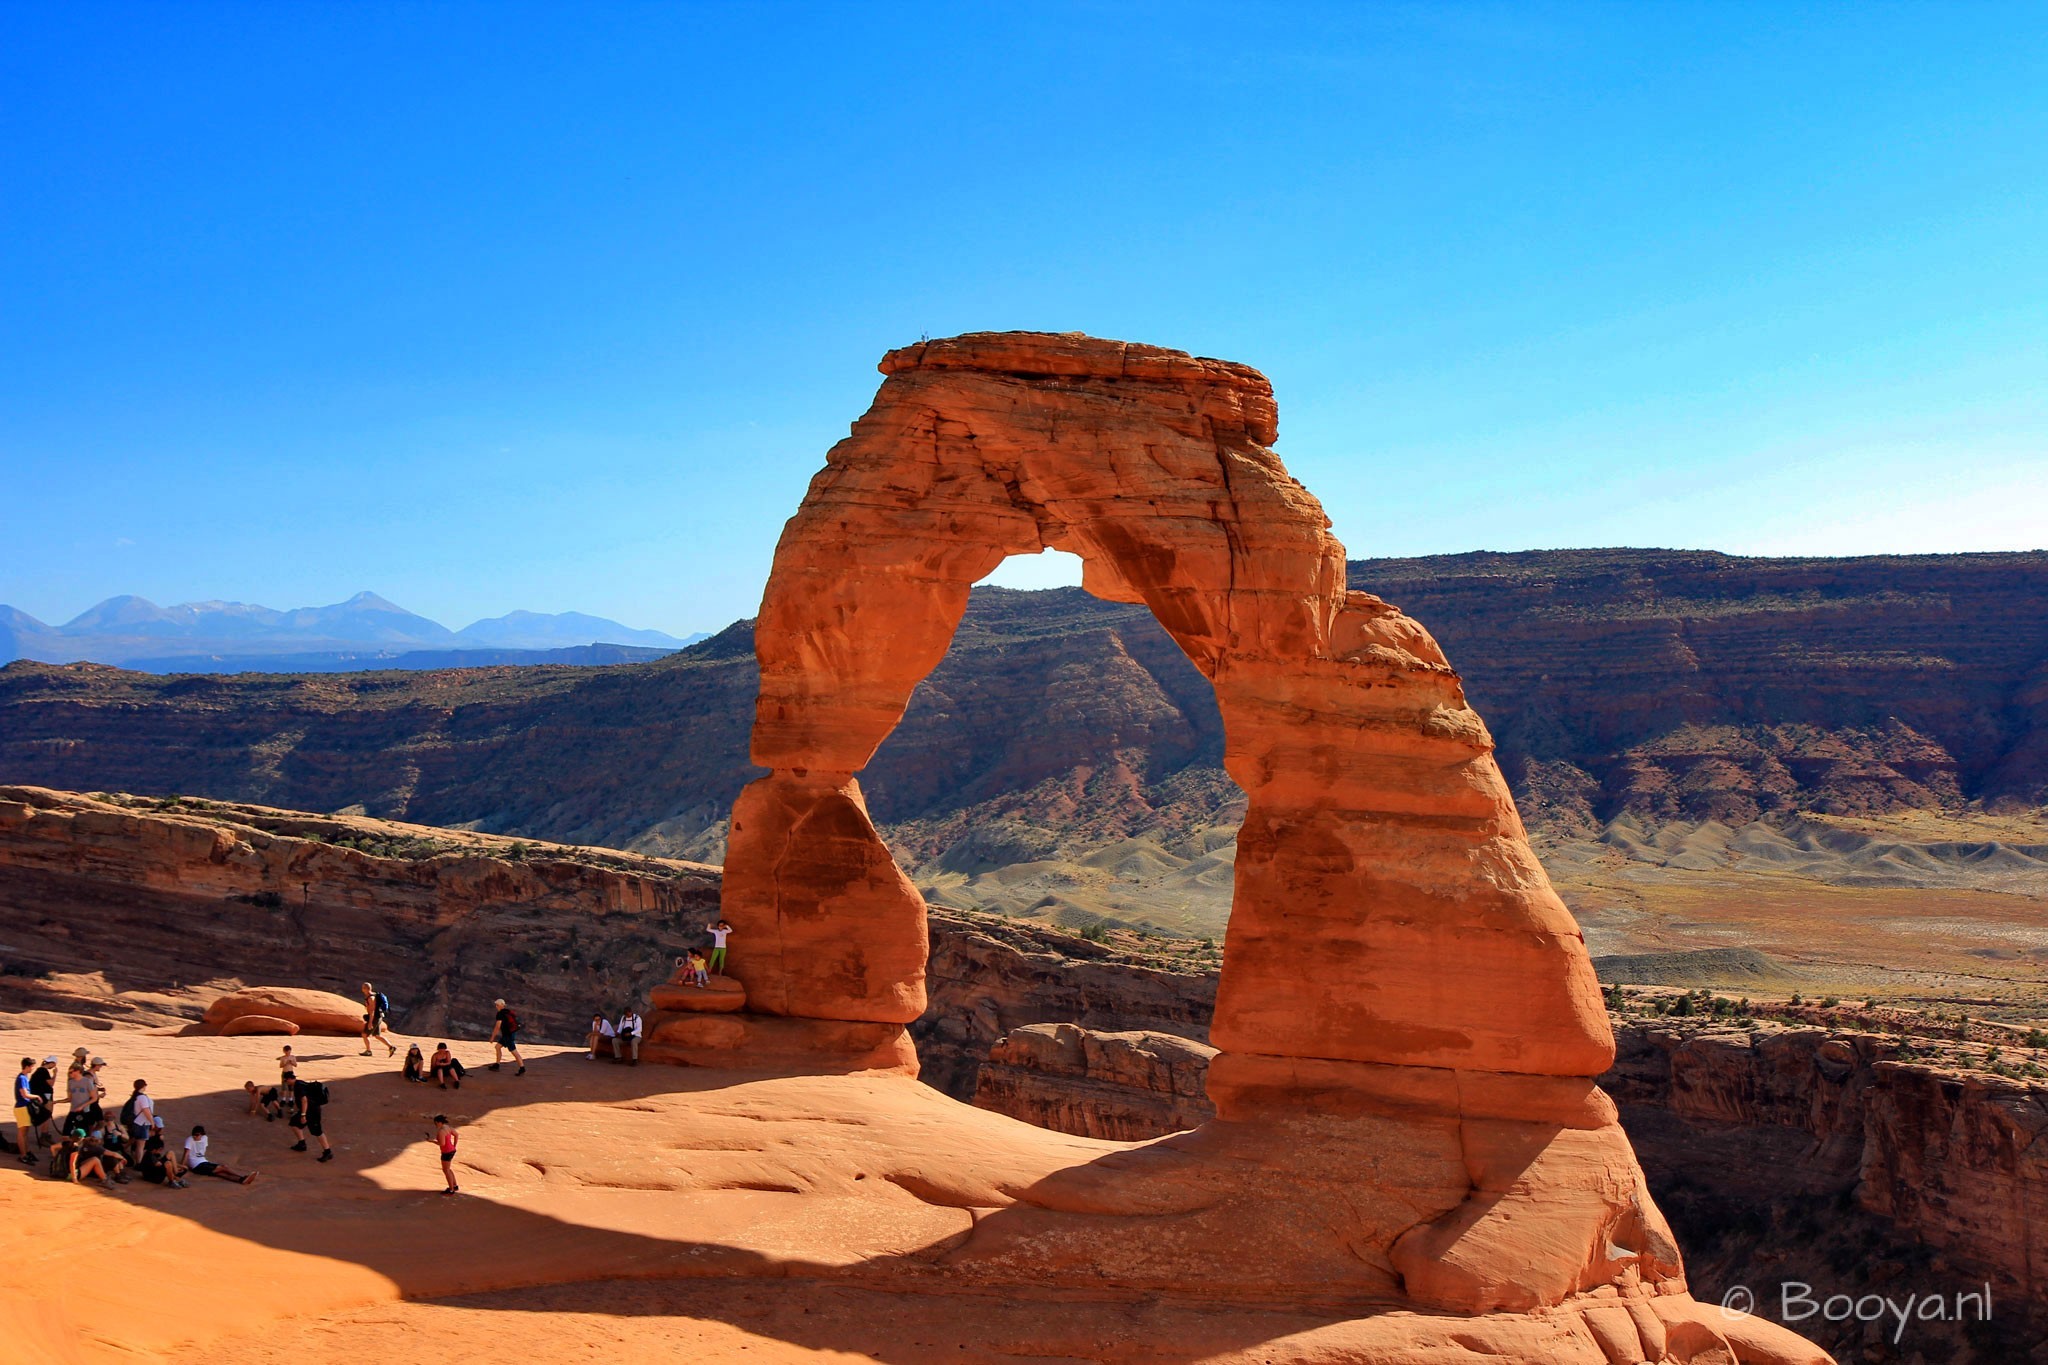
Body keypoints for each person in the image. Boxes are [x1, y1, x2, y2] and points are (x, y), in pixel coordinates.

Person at [283, 1073, 334, 1162]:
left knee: (317, 1131)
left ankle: (327, 1152)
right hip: (308, 1110)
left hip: (312, 1111)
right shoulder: (299, 1083)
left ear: (289, 1079)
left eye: (286, 1080)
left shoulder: (298, 1086)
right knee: (294, 1123)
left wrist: (303, 1115)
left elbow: (304, 1100)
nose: (285, 1082)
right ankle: (302, 1144)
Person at [184, 1126, 257, 1184]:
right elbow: (186, 1153)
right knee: (223, 1167)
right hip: (196, 1166)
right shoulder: (189, 1140)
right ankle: (243, 1176)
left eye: (197, 1135)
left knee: (221, 1174)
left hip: (204, 1162)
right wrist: (182, 1166)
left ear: (202, 1134)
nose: (195, 1137)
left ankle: (241, 1180)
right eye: (193, 1135)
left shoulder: (205, 1138)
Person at [121, 1079, 163, 1161]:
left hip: (138, 1122)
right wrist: (152, 1121)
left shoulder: (136, 1096)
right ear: (144, 1086)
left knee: (138, 1143)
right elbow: (146, 1110)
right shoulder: (142, 1097)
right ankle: (138, 1162)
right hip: (142, 1123)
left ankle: (136, 1160)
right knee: (140, 1145)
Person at [360, 982, 398, 1058]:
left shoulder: (371, 998)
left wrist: (370, 1022)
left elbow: (372, 1011)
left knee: (364, 1034)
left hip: (374, 1018)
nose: (362, 989)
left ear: (367, 989)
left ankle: (368, 1051)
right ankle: (391, 1047)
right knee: (377, 1035)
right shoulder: (373, 995)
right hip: (378, 1017)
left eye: (363, 988)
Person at [488, 999, 525, 1076]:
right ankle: (497, 1065)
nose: (496, 1007)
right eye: (496, 1005)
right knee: (497, 1047)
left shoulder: (500, 1014)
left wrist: (492, 1037)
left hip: (508, 1035)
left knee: (514, 1051)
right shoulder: (508, 1011)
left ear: (502, 1005)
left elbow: (497, 1026)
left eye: (497, 1005)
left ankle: (522, 1068)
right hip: (510, 1033)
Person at [13, 1058, 39, 1165]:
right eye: (32, 1066)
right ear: (27, 1066)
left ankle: (26, 1153)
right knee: (22, 1133)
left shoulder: (23, 1077)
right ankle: (23, 1155)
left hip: (23, 1107)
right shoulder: (22, 1078)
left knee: (25, 1132)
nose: (33, 1068)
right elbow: (25, 1094)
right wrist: (36, 1096)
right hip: (22, 1107)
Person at [28, 1056, 57, 1145]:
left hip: (41, 1096)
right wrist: (55, 1074)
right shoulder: (43, 1071)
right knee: (46, 1115)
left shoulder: (39, 1071)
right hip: (44, 1096)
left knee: (46, 1115)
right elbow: (51, 1083)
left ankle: (45, 1135)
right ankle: (44, 1136)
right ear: (52, 1063)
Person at [64, 1059, 99, 1131]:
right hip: (73, 1110)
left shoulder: (87, 1081)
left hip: (84, 1111)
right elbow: (69, 1098)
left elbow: (94, 1098)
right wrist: (56, 1102)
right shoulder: (70, 1082)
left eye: (71, 1072)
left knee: (82, 1133)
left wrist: (82, 1106)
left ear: (77, 1071)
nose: (69, 1074)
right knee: (66, 1133)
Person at [429, 1114, 459, 1196]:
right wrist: (454, 1145)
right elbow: (456, 1134)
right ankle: (454, 1185)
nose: (435, 1124)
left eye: (435, 1123)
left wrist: (432, 1141)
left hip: (446, 1152)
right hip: (452, 1150)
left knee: (446, 1170)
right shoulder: (447, 1127)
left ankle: (451, 1190)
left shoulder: (441, 1131)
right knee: (448, 1169)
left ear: (438, 1122)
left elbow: (442, 1144)